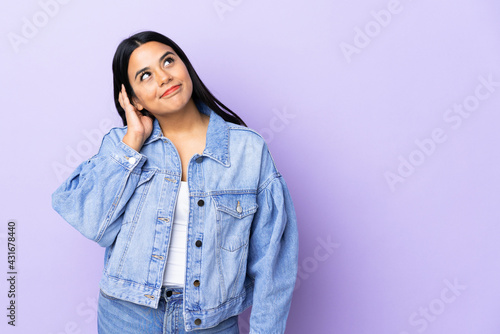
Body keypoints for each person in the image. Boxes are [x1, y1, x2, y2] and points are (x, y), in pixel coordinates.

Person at [51, 31, 299, 334]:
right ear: (133, 99)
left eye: (168, 61)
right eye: (145, 76)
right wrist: (132, 143)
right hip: (126, 316)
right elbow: (92, 222)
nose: (164, 77)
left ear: (185, 66)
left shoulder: (247, 150)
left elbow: (274, 265)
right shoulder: (122, 146)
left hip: (211, 323)